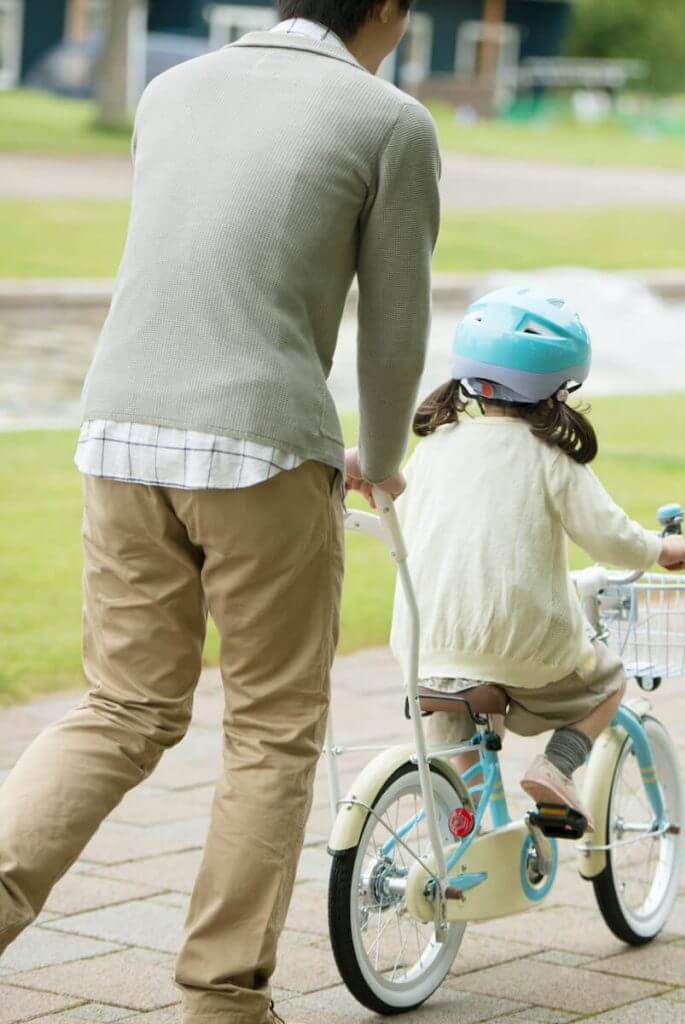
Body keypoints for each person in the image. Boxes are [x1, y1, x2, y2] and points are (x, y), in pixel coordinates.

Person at [0, 3, 440, 1021]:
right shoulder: (388, 120)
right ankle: (222, 996)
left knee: (123, 706)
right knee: (275, 725)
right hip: (259, 446)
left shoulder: (171, 90)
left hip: (118, 433)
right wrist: (381, 455)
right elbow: (393, 325)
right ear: (384, 9)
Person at [388, 287, 685, 827]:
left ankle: (464, 834)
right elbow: (613, 540)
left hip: (424, 648)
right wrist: (662, 547)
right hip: (520, 650)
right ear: (557, 386)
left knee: (464, 753)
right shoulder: (550, 457)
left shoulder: (432, 447)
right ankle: (556, 769)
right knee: (609, 680)